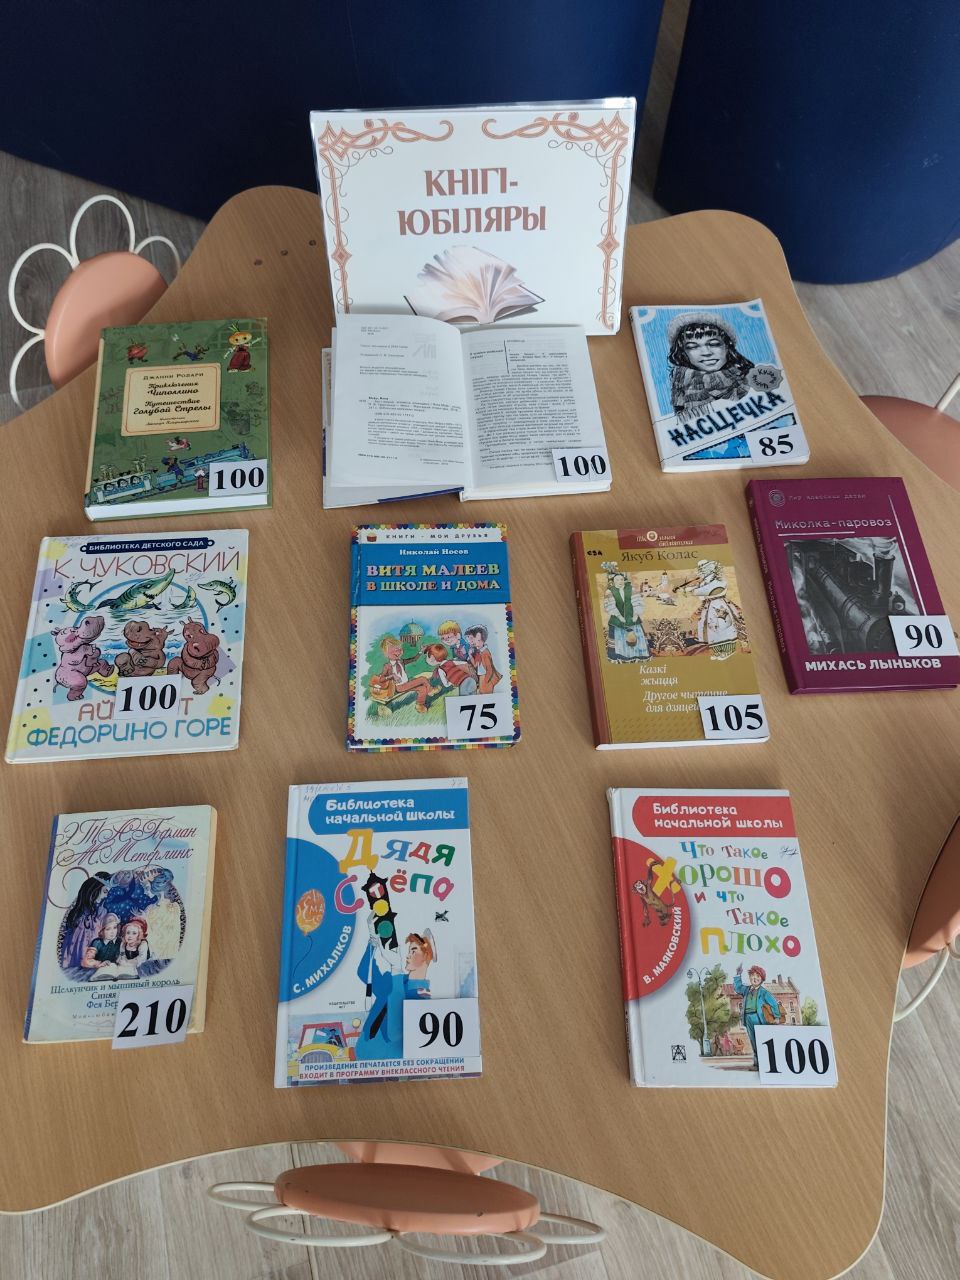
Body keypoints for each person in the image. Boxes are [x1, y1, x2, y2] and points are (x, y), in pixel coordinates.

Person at [666, 312, 758, 421]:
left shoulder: (745, 376)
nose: (706, 352)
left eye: (714, 344)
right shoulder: (681, 381)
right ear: (683, 353)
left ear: (727, 347)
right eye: (693, 347)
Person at [682, 559, 746, 660]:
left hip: (720, 606)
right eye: (701, 569)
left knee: (724, 626)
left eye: (704, 568)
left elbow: (707, 590)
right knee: (712, 629)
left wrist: (691, 590)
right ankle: (718, 652)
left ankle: (728, 651)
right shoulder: (703, 582)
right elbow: (701, 595)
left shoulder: (719, 580)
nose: (702, 571)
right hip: (710, 607)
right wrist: (691, 587)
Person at [733, 964, 781, 1070]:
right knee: (753, 1041)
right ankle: (757, 1064)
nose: (755, 978)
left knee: (761, 1041)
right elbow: (737, 988)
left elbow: (773, 1003)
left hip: (758, 1018)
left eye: (758, 976)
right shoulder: (746, 990)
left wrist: (777, 1016)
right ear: (749, 977)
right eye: (752, 976)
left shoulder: (763, 992)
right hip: (747, 1018)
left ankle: (764, 1064)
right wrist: (738, 975)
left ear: (762, 979)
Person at [60, 873, 110, 969]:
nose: (106, 896)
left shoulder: (100, 911)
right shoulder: (81, 915)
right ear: (94, 890)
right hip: (78, 960)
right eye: (104, 891)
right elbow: (77, 944)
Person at [601, 563, 649, 662]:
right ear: (613, 581)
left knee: (635, 636)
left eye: (621, 579)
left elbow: (637, 602)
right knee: (620, 637)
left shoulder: (631, 589)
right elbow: (610, 605)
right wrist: (619, 616)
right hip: (617, 620)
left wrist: (635, 614)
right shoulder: (610, 591)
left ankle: (638, 655)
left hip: (632, 618)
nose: (619, 582)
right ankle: (622, 656)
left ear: (624, 580)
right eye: (617, 580)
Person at [375, 635, 432, 712]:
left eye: (398, 649)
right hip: (399, 687)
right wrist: (392, 676)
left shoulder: (401, 661)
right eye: (393, 649)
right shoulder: (387, 666)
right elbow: (381, 679)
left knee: (422, 689)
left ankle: (419, 706)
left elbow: (413, 659)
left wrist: (421, 651)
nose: (398, 652)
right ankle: (431, 690)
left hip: (406, 684)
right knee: (422, 679)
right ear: (386, 654)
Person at [464, 623, 501, 693]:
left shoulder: (485, 653)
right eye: (468, 638)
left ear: (479, 637)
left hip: (486, 677)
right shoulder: (478, 652)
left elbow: (489, 670)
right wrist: (470, 655)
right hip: (481, 676)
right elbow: (475, 665)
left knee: (484, 693)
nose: (469, 641)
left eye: (471, 638)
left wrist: (486, 681)